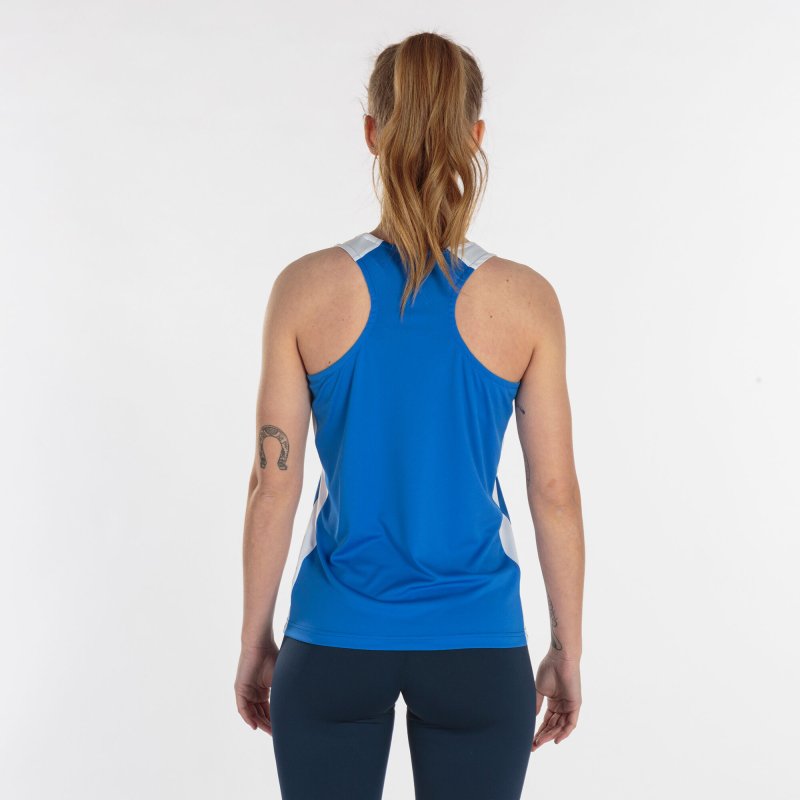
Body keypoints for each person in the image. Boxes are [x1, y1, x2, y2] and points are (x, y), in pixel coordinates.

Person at [234, 30, 584, 800]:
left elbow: (273, 485)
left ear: (372, 132)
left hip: (332, 642)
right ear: (475, 137)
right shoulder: (527, 302)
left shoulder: (305, 290)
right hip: (477, 645)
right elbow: (553, 492)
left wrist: (257, 639)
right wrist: (567, 647)